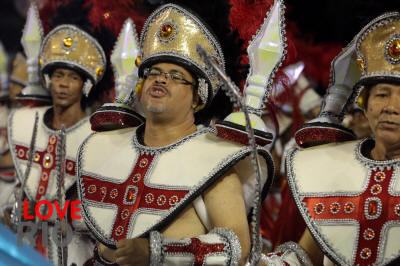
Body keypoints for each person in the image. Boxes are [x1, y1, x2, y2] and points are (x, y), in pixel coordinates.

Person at [77, 3, 274, 265]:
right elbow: (80, 219)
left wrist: (156, 253)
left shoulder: (214, 163)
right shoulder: (108, 146)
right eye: (154, 73)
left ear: (197, 96)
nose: (160, 80)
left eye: (174, 76)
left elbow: (237, 247)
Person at [264, 11, 400, 265]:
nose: (391, 107)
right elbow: (306, 256)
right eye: (382, 95)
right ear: (365, 105)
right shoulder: (332, 166)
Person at [5, 2, 108, 264]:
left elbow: (99, 215)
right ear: (49, 80)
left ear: (85, 85)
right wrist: (12, 210)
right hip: (23, 247)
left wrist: (42, 210)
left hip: (74, 252)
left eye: (72, 78)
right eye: (58, 75)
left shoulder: (98, 138)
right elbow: (17, 192)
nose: (63, 84)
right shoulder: (25, 124)